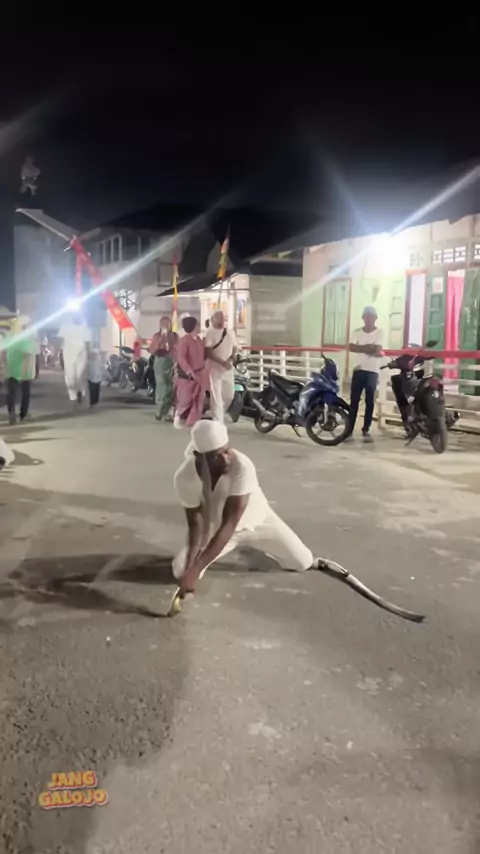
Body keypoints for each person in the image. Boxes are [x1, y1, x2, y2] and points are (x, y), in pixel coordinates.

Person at [171, 420, 317, 607]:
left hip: (259, 522)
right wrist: (190, 568)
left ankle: (253, 547)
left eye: (227, 450)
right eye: (216, 456)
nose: (225, 459)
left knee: (303, 562)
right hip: (219, 531)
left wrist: (196, 568)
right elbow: (195, 524)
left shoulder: (242, 465)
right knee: (180, 571)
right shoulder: (185, 476)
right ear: (199, 457)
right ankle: (200, 561)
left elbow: (230, 522)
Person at [348, 306, 384, 442]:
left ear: (375, 318)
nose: (369, 319)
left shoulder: (380, 332)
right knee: (354, 400)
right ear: (363, 318)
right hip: (358, 369)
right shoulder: (356, 332)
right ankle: (349, 428)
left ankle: (366, 428)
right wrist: (369, 348)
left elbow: (377, 349)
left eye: (371, 317)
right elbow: (351, 347)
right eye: (367, 316)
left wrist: (361, 348)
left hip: (372, 370)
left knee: (370, 401)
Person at [174, 316, 208, 428]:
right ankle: (179, 417)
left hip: (200, 373)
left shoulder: (199, 340)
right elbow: (181, 358)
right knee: (186, 398)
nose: (199, 326)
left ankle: (193, 421)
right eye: (197, 324)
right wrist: (189, 371)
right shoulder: (184, 341)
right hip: (188, 375)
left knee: (199, 398)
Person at [2, 316, 36, 425]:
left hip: (11, 370)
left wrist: (5, 367)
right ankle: (23, 414)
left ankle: (11, 413)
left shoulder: (9, 338)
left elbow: (3, 353)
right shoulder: (25, 340)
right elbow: (27, 357)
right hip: (24, 372)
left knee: (11, 393)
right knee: (25, 394)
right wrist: (24, 371)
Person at [204, 310, 237, 423]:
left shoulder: (230, 332)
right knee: (216, 396)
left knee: (229, 395)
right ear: (213, 319)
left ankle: (218, 413)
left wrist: (232, 358)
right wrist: (222, 362)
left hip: (228, 369)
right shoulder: (210, 333)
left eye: (223, 317)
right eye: (219, 317)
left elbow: (234, 347)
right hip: (215, 369)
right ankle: (218, 420)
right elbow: (208, 352)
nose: (222, 320)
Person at [58, 312, 91, 405]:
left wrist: (89, 354)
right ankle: (72, 394)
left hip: (81, 353)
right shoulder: (64, 327)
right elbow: (61, 340)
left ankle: (80, 390)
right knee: (70, 375)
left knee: (79, 375)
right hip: (68, 353)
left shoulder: (85, 328)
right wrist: (59, 352)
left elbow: (88, 342)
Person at [150, 317, 178, 422]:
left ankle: (167, 412)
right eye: (163, 324)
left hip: (171, 362)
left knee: (171, 387)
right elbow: (152, 349)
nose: (166, 326)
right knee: (162, 386)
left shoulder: (174, 336)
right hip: (160, 362)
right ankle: (160, 410)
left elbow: (177, 349)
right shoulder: (156, 336)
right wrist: (161, 339)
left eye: (168, 324)